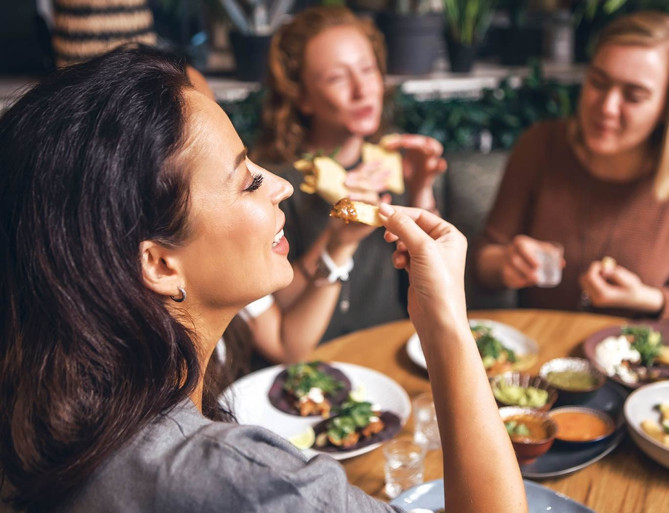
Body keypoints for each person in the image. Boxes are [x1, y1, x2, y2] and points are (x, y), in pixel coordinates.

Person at [0, 46, 526, 512]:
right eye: (248, 179)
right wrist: (447, 325)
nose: (280, 186)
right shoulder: (252, 483)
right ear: (159, 264)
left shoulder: (58, 430)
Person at [472, 11, 669, 332]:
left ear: (668, 107)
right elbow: (483, 263)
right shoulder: (540, 145)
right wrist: (506, 262)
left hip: (641, 369)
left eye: (634, 96)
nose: (606, 107)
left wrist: (650, 299)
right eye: (598, 82)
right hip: (541, 357)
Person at [253, 6, 447, 340]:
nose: (362, 90)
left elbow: (429, 284)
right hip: (318, 364)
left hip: (389, 349)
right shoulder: (276, 185)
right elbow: (278, 302)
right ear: (303, 98)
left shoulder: (398, 166)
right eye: (337, 77)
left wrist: (420, 190)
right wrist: (336, 237)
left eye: (368, 70)